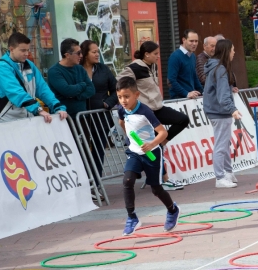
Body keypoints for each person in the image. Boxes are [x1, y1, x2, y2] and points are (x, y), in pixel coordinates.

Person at [119, 40, 189, 190]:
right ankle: (163, 180)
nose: (158, 57)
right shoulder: (134, 67)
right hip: (145, 111)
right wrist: (131, 100)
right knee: (153, 148)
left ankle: (160, 142)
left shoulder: (152, 66)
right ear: (147, 54)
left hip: (158, 107)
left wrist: (162, 139)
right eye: (155, 54)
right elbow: (120, 81)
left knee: (182, 119)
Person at [116, 77, 179, 236]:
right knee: (127, 180)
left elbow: (163, 133)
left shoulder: (145, 111)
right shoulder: (122, 109)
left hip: (152, 153)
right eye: (120, 97)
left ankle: (172, 210)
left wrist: (151, 144)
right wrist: (131, 139)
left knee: (156, 189)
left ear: (136, 95)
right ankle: (132, 217)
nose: (123, 100)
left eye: (127, 96)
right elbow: (122, 122)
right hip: (134, 152)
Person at [0, 32, 67, 124]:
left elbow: (42, 89)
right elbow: (15, 92)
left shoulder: (29, 65)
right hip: (6, 121)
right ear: (11, 49)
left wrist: (57, 106)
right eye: (23, 50)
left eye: (28, 50)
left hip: (26, 120)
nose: (27, 53)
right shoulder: (2, 67)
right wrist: (38, 109)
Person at [202, 39, 242, 189]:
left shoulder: (216, 67)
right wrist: (233, 109)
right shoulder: (221, 69)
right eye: (232, 49)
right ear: (226, 51)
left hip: (216, 110)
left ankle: (227, 172)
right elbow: (222, 95)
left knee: (224, 142)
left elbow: (219, 90)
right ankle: (220, 177)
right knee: (221, 144)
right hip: (220, 111)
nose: (234, 52)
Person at [80, 40, 118, 180]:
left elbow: (116, 90)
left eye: (98, 51)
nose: (97, 54)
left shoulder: (103, 69)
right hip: (81, 118)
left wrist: (107, 103)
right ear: (85, 54)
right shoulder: (77, 69)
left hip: (100, 118)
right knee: (82, 151)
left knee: (98, 151)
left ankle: (97, 184)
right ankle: (85, 183)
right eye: (94, 52)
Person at [47, 38, 96, 118]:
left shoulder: (80, 68)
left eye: (81, 52)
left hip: (82, 117)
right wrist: (82, 85)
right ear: (67, 55)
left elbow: (91, 89)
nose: (81, 55)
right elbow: (67, 91)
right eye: (78, 53)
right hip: (63, 118)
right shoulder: (54, 71)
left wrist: (76, 96)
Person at [167, 29, 202, 99]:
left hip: (191, 96)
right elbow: (171, 80)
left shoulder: (192, 56)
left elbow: (194, 76)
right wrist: (186, 93)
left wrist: (202, 91)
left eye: (196, 41)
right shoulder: (175, 56)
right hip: (179, 99)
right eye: (191, 41)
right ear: (184, 40)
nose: (194, 44)